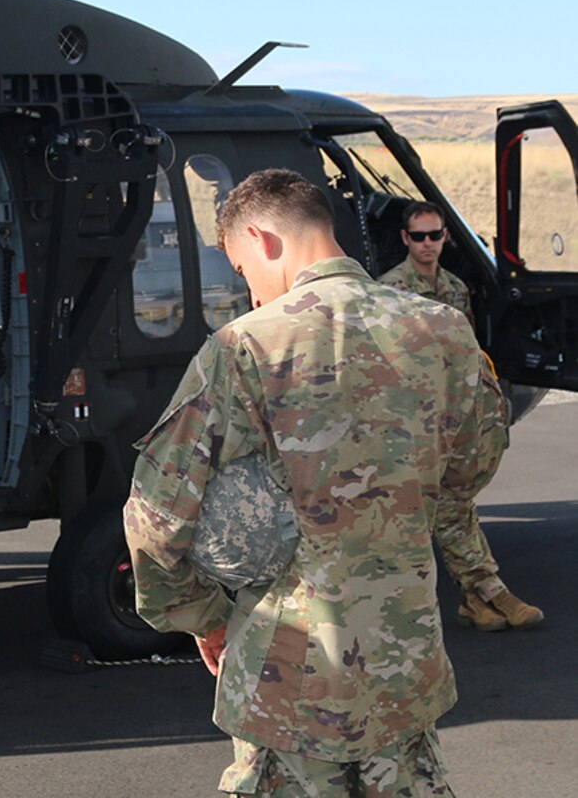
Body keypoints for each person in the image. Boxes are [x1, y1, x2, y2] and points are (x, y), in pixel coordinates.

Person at [125, 168, 507, 797]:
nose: (248, 292)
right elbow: (473, 465)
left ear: (261, 238)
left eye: (242, 269)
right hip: (402, 666)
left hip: (287, 678)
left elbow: (156, 516)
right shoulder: (444, 330)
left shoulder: (243, 348)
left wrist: (200, 614)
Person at [377, 200, 541, 632]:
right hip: (412, 417)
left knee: (453, 503)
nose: (427, 244)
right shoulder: (388, 290)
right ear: (404, 240)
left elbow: (465, 353)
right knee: (448, 505)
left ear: (446, 237)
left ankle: (477, 598)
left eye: (435, 235)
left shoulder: (455, 289)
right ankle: (488, 591)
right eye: (418, 237)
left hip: (453, 413)